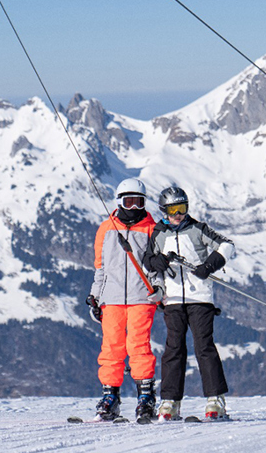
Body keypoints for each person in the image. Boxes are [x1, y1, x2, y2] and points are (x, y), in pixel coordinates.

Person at [144, 186, 234, 421]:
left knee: (204, 346)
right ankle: (170, 401)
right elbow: (147, 260)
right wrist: (156, 262)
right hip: (172, 300)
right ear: (163, 211)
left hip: (200, 299)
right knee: (174, 349)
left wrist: (209, 266)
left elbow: (227, 245)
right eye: (173, 209)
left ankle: (216, 399)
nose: (178, 214)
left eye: (182, 208)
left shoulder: (197, 229)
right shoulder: (159, 233)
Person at [85, 178, 162, 422]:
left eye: (139, 203)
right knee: (111, 347)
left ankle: (146, 397)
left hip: (142, 297)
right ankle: (110, 397)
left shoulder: (153, 229)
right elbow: (101, 268)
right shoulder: (106, 229)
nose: (134, 208)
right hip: (112, 298)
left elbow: (158, 266)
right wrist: (96, 296)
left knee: (139, 346)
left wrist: (158, 288)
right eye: (129, 202)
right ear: (119, 202)